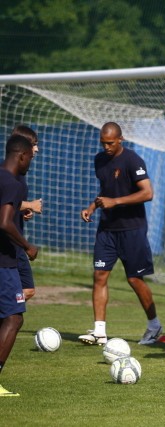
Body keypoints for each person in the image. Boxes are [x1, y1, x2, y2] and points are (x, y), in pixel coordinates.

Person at [79, 122, 162, 346]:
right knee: (99, 275)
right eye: (103, 143)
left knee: (134, 279)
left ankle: (154, 325)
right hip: (107, 229)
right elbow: (107, 191)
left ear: (120, 139)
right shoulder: (99, 160)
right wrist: (92, 207)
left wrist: (115, 202)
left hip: (132, 229)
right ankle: (99, 332)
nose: (106, 147)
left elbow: (148, 193)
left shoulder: (133, 160)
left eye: (110, 143)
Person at [0, 135, 38, 397]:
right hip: (4, 262)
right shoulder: (14, 184)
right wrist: (27, 246)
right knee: (14, 317)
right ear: (21, 156)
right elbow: (3, 222)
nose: (31, 162)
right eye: (31, 157)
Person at [8, 125, 42, 302]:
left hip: (16, 239)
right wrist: (31, 205)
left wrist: (23, 211)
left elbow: (11, 205)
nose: (37, 149)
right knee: (23, 292)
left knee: (26, 290)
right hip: (10, 241)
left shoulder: (20, 173)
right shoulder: (9, 173)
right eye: (34, 144)